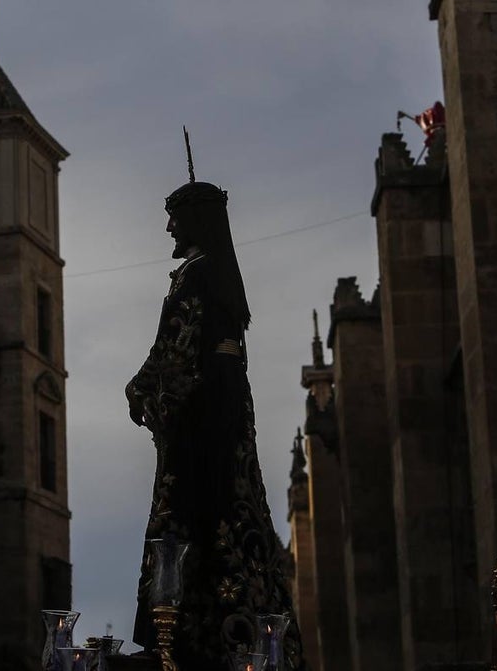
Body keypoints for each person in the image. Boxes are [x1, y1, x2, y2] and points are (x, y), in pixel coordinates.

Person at [126, 178, 304, 670]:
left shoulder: (194, 276)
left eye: (175, 219)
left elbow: (174, 348)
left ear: (194, 221)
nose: (169, 229)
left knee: (187, 513)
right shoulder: (223, 277)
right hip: (229, 414)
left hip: (200, 420)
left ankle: (179, 636)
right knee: (237, 508)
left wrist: (141, 390)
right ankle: (250, 627)